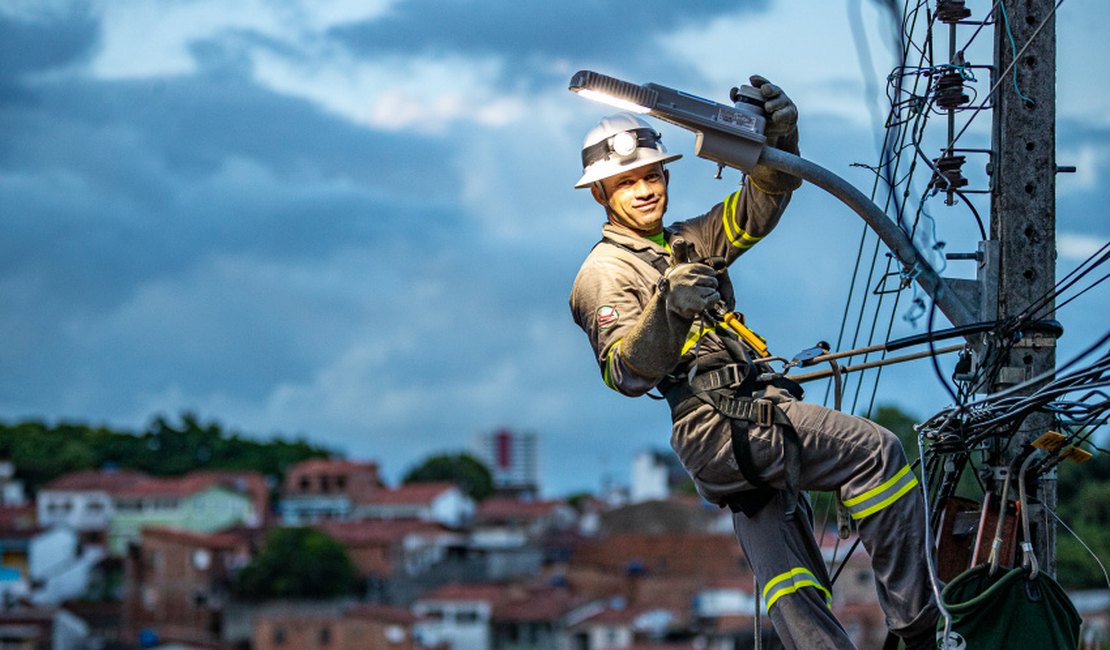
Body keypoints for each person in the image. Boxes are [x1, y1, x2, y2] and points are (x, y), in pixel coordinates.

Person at [568, 75, 939, 649]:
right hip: (717, 424)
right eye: (626, 183)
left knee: (789, 583)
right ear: (602, 195)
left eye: (651, 175)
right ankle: (917, 630)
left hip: (743, 416)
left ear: (665, 175)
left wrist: (779, 146)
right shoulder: (604, 273)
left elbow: (760, 206)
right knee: (875, 453)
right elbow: (625, 372)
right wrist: (670, 307)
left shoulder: (689, 240)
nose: (644, 190)